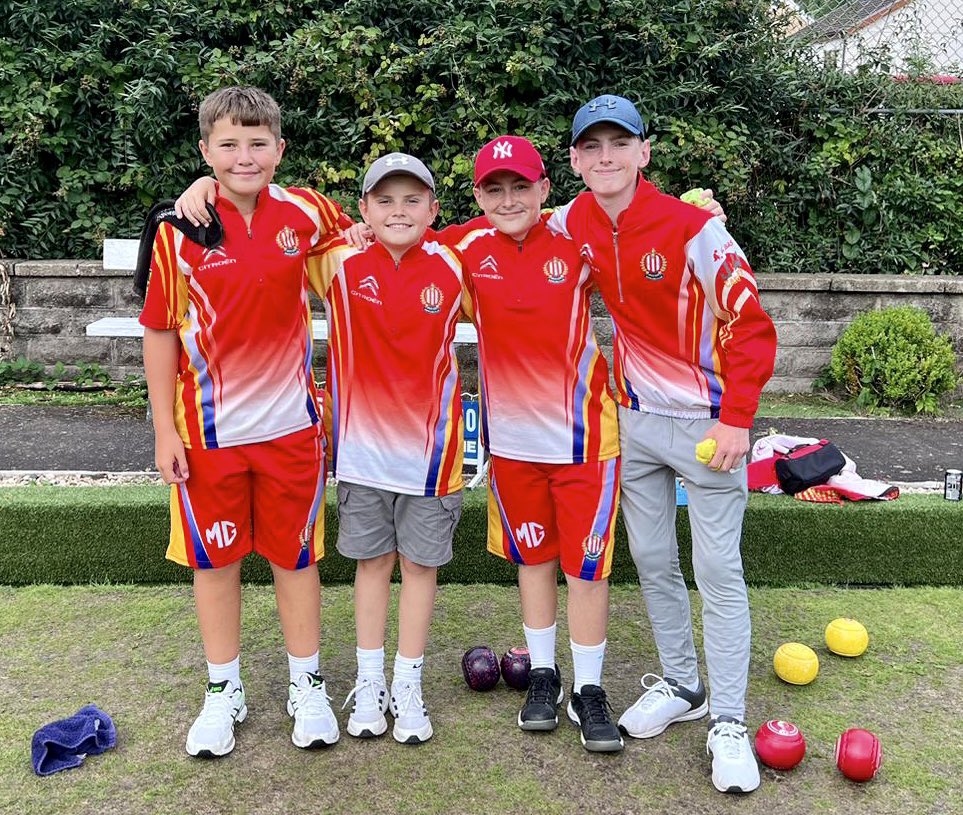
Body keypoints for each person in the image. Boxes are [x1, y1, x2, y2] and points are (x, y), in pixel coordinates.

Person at [548, 94, 777, 792]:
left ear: (644, 152)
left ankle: (729, 721)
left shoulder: (694, 228)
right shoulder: (572, 220)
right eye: (592, 146)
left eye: (620, 143)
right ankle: (683, 685)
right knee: (650, 558)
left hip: (709, 427)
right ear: (575, 160)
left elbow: (752, 324)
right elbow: (500, 228)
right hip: (634, 421)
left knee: (717, 572)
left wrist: (737, 417)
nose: (606, 156)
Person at [140, 86, 353, 757]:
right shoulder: (180, 228)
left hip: (291, 427)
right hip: (207, 435)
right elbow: (158, 332)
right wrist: (163, 431)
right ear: (205, 151)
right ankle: (222, 689)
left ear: (279, 149)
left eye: (257, 142)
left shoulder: (308, 210)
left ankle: (306, 683)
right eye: (227, 145)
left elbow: (367, 240)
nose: (243, 156)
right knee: (217, 562)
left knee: (295, 559)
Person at [441, 137, 623, 752]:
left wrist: (703, 213)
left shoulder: (579, 241)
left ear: (545, 189)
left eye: (522, 186)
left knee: (587, 568)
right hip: (514, 446)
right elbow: (393, 235)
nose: (510, 198)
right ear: (478, 197)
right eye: (495, 188)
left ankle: (589, 690)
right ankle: (544, 675)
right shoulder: (464, 248)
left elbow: (645, 240)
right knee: (535, 561)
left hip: (586, 441)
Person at [305, 153, 466, 745]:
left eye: (412, 199)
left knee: (420, 568)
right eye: (385, 200)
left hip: (432, 460)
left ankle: (408, 684)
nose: (399, 211)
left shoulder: (456, 263)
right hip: (361, 455)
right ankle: (369, 683)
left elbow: (523, 234)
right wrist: (201, 186)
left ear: (433, 208)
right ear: (365, 210)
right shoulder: (336, 261)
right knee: (371, 566)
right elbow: (274, 224)